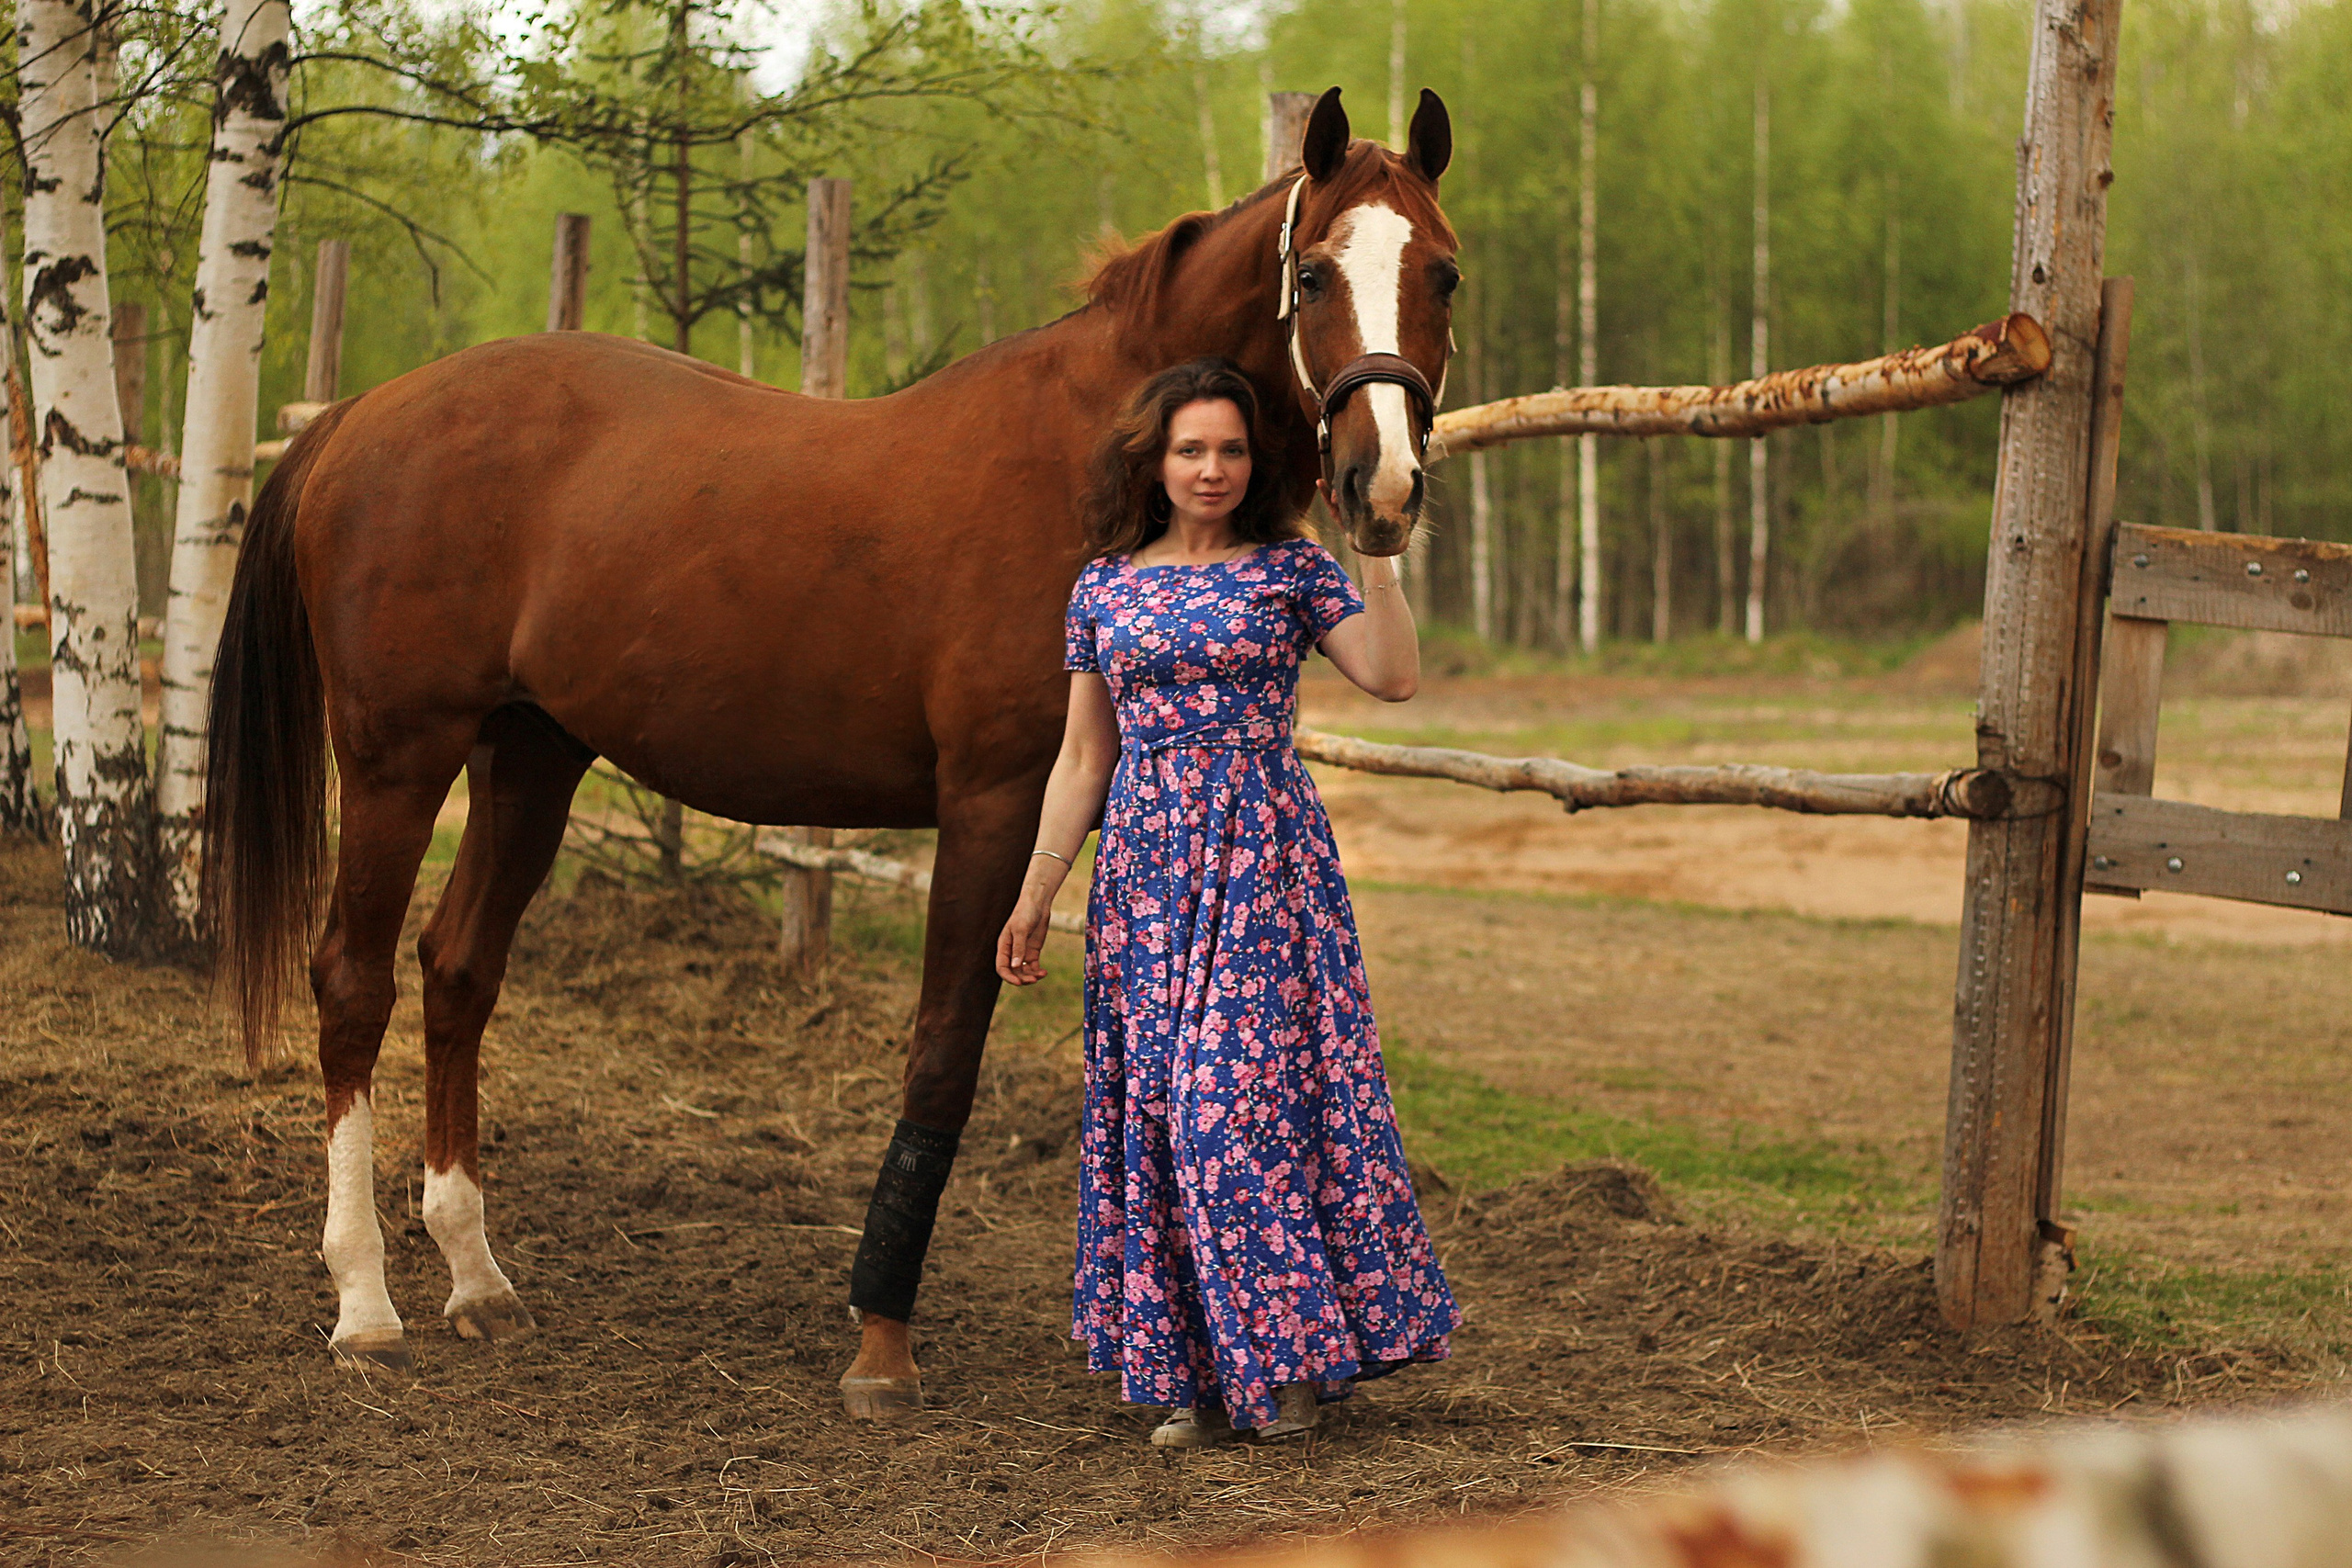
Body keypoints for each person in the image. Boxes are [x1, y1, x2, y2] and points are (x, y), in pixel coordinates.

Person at [996, 356, 1460, 1447]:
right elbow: (1080, 756)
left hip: (1264, 861)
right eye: (1190, 449)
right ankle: (1197, 1376)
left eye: (1232, 449)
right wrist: (1036, 892)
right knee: (1160, 1117)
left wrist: (1377, 557)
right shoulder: (1104, 585)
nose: (1212, 468)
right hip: (1145, 873)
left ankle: (1288, 1360)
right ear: (1154, 463)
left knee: (1229, 1109)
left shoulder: (1288, 569)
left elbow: (1391, 677)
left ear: (1257, 463)